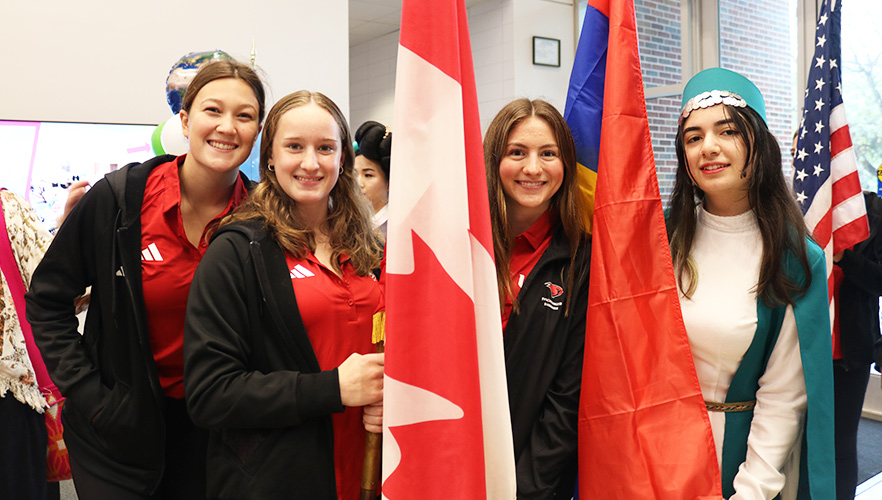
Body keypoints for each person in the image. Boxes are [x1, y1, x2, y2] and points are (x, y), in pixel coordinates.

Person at [25, 58, 266, 499]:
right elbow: (46, 300)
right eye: (213, 110)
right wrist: (90, 395)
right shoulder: (121, 201)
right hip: (118, 433)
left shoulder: (263, 223)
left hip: (219, 435)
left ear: (257, 131)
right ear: (185, 118)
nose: (227, 127)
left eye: (244, 115)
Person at [182, 90, 385, 500]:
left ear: (342, 157)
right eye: (295, 147)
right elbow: (210, 394)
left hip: (366, 464)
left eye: (325, 148)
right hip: (281, 477)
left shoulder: (366, 246)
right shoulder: (238, 250)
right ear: (270, 156)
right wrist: (332, 389)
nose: (311, 163)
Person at [667, 67, 834, 498]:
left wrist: (751, 490)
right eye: (693, 137)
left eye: (727, 131)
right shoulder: (658, 240)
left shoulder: (794, 258)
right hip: (653, 454)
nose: (709, 148)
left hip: (735, 463)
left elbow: (783, 397)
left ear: (757, 142)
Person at [482, 98, 591, 499]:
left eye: (548, 154)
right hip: (450, 461)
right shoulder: (459, 249)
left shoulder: (583, 260)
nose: (533, 168)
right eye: (517, 153)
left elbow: (568, 398)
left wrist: (523, 489)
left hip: (532, 483)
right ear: (494, 160)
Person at [832, 191, 882, 499]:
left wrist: (844, 256)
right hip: (793, 351)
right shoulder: (791, 204)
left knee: (840, 446)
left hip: (848, 353)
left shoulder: (871, 211)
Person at [353, 120, 391, 237]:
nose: (359, 183)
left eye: (368, 175)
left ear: (389, 183)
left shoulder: (396, 227)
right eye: (354, 175)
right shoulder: (350, 224)